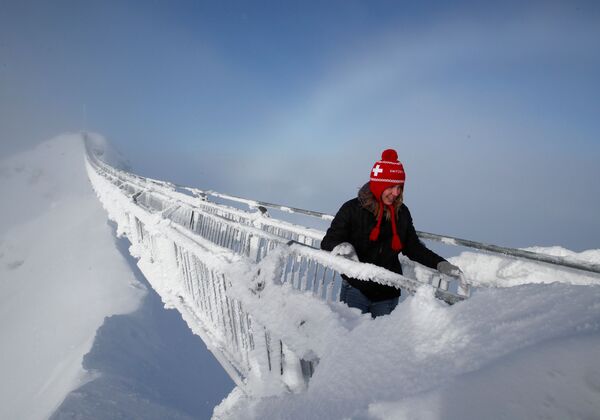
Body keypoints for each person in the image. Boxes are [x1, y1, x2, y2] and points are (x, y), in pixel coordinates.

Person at [320, 149, 461, 318]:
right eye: (392, 187)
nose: (396, 193)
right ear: (379, 184)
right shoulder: (352, 209)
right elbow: (328, 241)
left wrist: (440, 264)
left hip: (387, 294)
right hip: (355, 290)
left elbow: (413, 247)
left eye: (399, 187)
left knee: (381, 343)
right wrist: (343, 246)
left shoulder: (402, 213)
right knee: (351, 340)